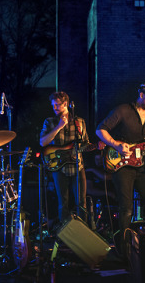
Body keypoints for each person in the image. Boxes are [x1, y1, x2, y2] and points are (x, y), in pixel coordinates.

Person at [95, 82, 145, 255]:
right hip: (123, 166)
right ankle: (123, 249)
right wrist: (116, 145)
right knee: (127, 208)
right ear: (141, 94)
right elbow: (100, 130)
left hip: (143, 168)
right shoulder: (123, 111)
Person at [40, 91, 90, 223]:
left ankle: (83, 233)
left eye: (57, 105)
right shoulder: (49, 122)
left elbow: (85, 143)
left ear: (66, 104)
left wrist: (97, 146)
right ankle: (65, 235)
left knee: (81, 202)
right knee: (63, 203)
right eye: (53, 105)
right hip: (59, 168)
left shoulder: (79, 122)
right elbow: (43, 142)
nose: (54, 108)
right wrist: (58, 127)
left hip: (78, 167)